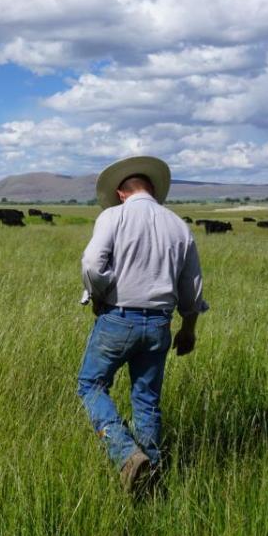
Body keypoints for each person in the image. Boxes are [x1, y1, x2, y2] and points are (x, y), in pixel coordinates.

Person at [76, 155, 208, 495]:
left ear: (121, 193)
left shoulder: (113, 216)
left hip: (118, 318)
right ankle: (149, 478)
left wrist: (99, 293)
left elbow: (92, 263)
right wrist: (188, 328)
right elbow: (191, 288)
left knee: (90, 385)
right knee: (146, 401)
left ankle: (126, 454)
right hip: (161, 325)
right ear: (152, 189)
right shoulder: (179, 225)